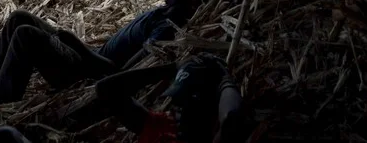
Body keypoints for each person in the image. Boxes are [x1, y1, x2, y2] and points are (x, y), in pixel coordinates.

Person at [0, 0, 227, 104]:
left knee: (25, 35)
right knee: (19, 16)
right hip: (86, 56)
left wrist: (79, 47)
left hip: (84, 72)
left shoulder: (166, 28)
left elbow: (120, 74)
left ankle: (1, 110)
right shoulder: (167, 10)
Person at [95, 53, 256, 143]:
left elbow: (232, 119)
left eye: (189, 103)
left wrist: (223, 79)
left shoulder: (214, 136)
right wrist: (174, 68)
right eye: (179, 102)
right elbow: (106, 89)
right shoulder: (166, 127)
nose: (177, 110)